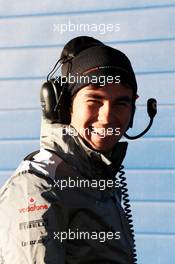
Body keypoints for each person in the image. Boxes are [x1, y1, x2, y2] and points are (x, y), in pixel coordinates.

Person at [0, 36, 138, 264]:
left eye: (121, 104)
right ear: (65, 107)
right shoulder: (37, 185)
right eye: (94, 101)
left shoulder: (99, 181)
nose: (107, 117)